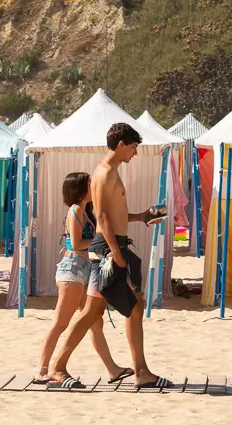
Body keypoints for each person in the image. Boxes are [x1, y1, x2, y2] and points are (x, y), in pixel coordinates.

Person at [49, 122, 170, 390]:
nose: (135, 153)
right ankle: (58, 367)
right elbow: (101, 216)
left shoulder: (111, 173)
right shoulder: (104, 174)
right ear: (121, 144)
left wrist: (141, 217)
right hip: (109, 249)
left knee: (116, 309)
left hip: (112, 246)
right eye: (134, 147)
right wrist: (117, 254)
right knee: (98, 311)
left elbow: (113, 214)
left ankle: (140, 372)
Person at [34, 173, 123, 389]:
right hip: (72, 269)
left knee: (95, 322)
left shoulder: (86, 212)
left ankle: (112, 369)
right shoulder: (74, 211)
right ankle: (42, 370)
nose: (93, 187)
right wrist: (102, 240)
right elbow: (75, 243)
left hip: (84, 269)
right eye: (89, 184)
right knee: (61, 322)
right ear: (81, 190)